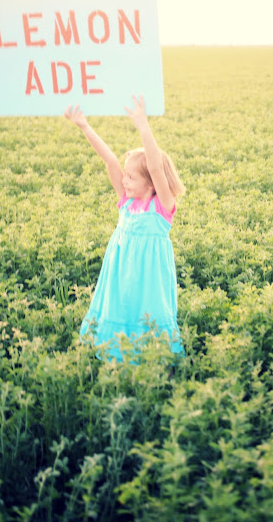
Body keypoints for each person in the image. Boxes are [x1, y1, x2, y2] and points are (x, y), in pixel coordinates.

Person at [64, 95, 185, 361]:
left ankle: (160, 362)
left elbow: (155, 167)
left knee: (150, 314)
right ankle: (118, 359)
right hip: (121, 273)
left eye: (131, 177)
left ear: (151, 183)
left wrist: (143, 126)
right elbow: (109, 160)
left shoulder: (162, 207)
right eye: (125, 176)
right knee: (121, 310)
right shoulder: (127, 202)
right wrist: (84, 126)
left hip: (150, 278)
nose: (124, 181)